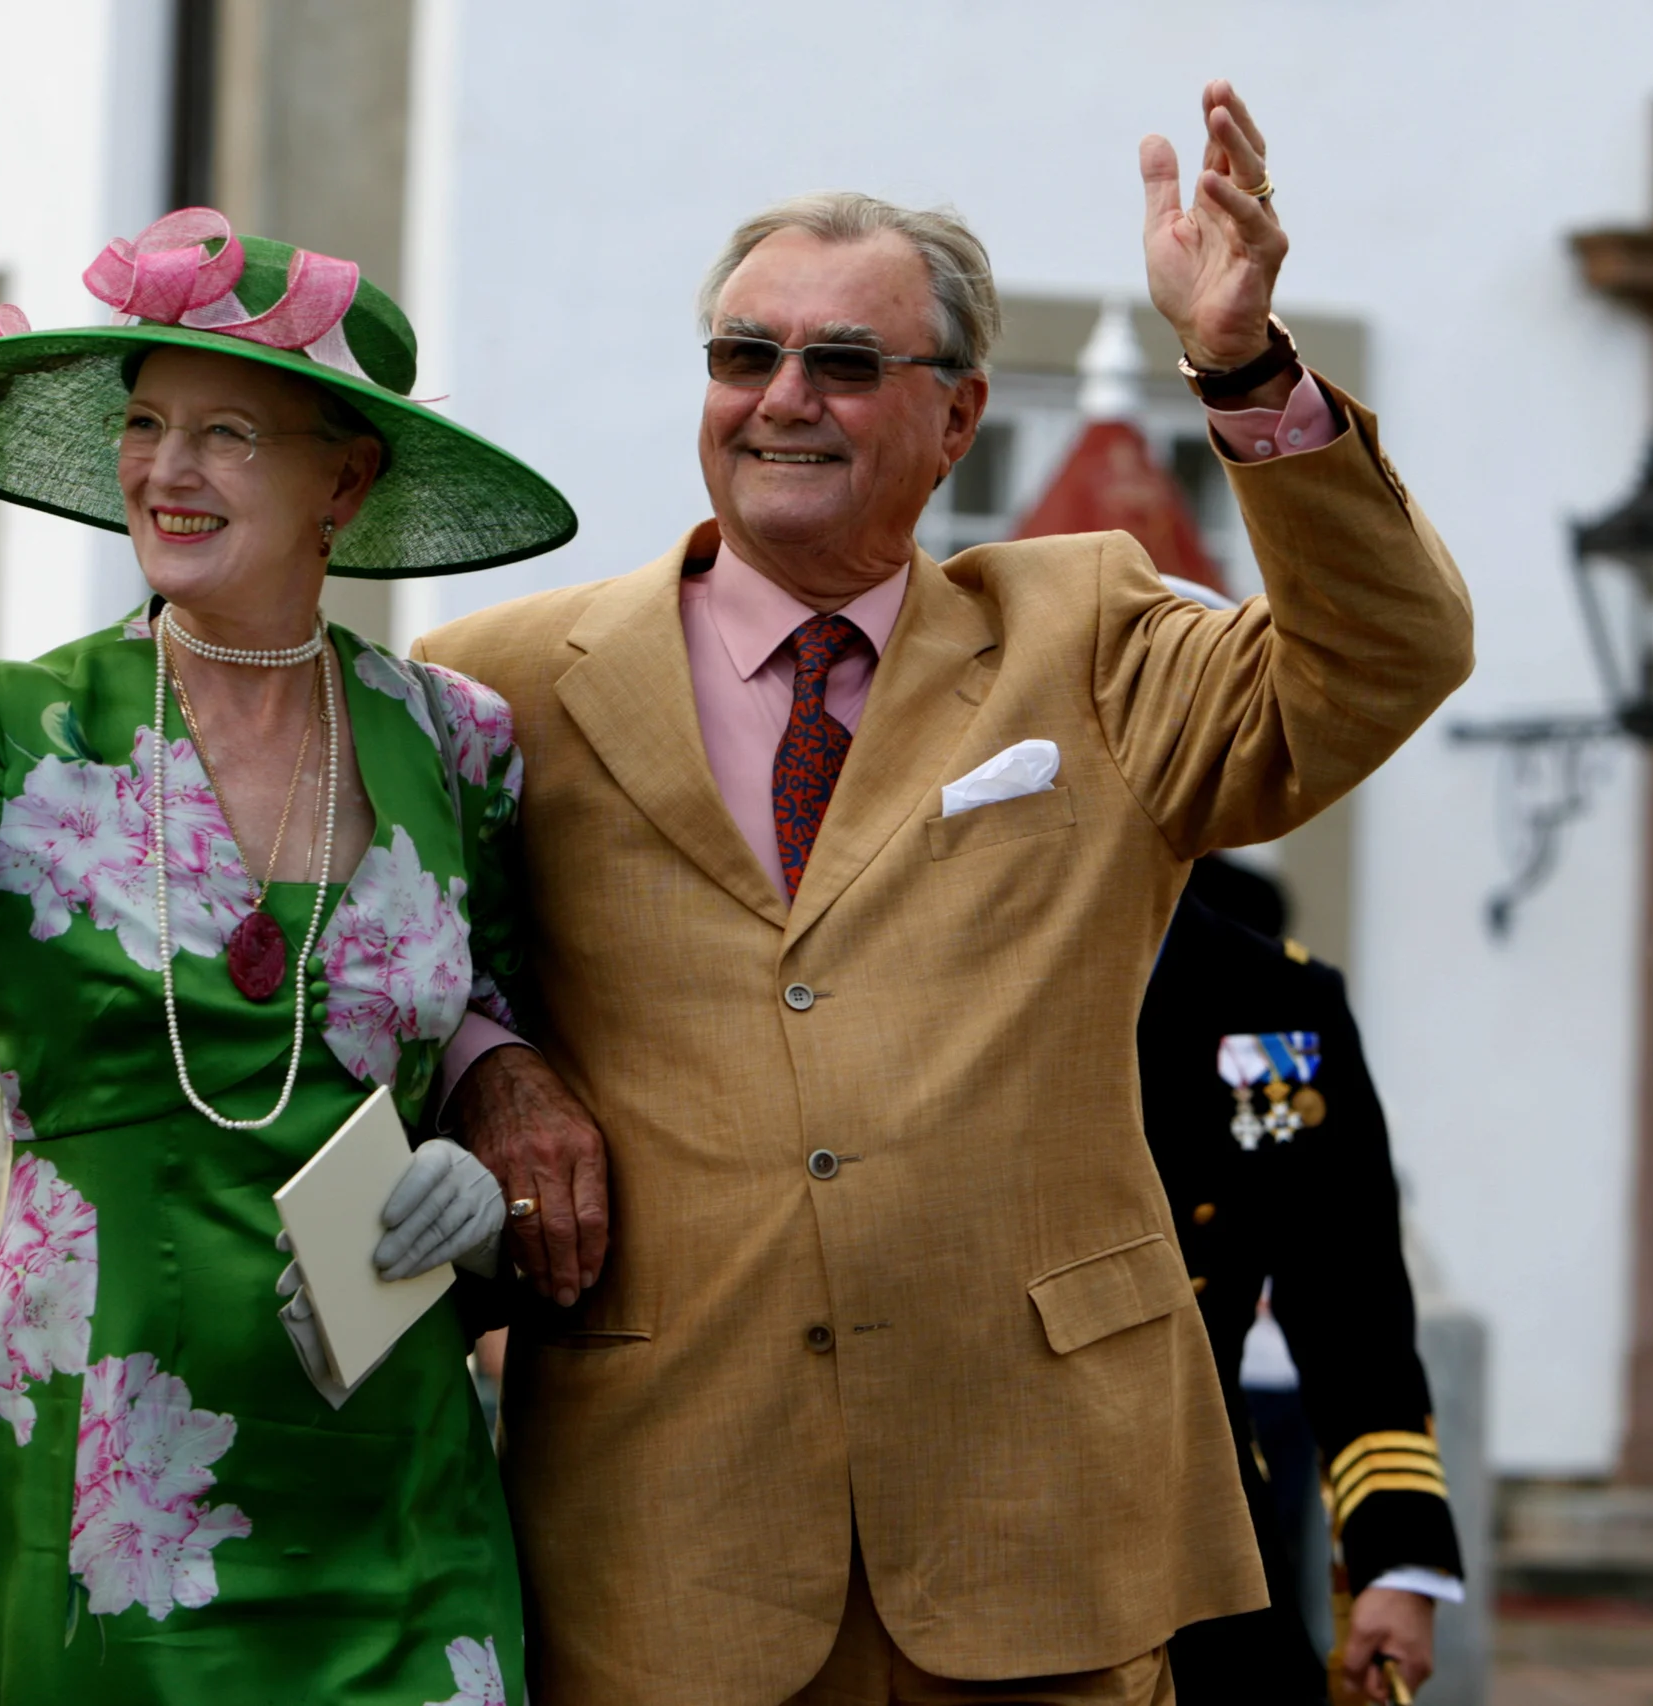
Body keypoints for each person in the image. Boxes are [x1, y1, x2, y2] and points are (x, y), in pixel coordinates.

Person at [422, 83, 1475, 1705]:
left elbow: (1385, 656)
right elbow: (398, 970)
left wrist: (1248, 373)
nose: (782, 398)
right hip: (665, 1531)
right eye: (742, 353)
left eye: (844, 363)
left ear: (958, 415)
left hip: (1035, 1524)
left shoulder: (1096, 637)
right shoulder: (500, 685)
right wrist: (494, 1070)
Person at [0, 209, 571, 1706]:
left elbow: (500, 1019)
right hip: (106, 1509)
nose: (164, 469)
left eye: (225, 431)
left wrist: (482, 1158)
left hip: (395, 1486)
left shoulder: (456, 741)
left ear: (344, 477)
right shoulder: (16, 735)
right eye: (144, 424)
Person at [1140, 885, 1464, 1705]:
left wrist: (1397, 1560)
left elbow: (1352, 1308)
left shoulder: (1277, 997)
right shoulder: (924, 953)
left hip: (1193, 1531)